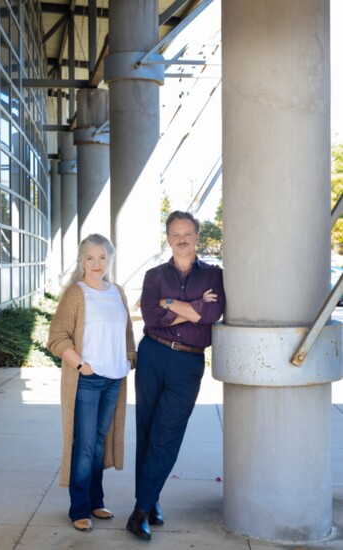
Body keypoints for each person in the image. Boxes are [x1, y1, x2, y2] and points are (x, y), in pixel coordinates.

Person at [126, 211, 225, 541]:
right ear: (168, 238)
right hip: (153, 354)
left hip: (188, 364)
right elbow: (151, 317)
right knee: (147, 430)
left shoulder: (214, 274)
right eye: (175, 234)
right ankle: (150, 501)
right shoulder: (154, 274)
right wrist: (191, 306)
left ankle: (140, 511)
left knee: (167, 435)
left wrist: (174, 303)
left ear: (197, 235)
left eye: (187, 233)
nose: (181, 239)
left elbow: (210, 314)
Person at [47, 233, 136, 532]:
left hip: (114, 380)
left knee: (99, 444)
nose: (97, 263)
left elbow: (126, 332)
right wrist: (81, 365)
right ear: (82, 260)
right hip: (88, 380)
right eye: (90, 258)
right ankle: (79, 509)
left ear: (109, 260)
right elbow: (57, 337)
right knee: (84, 445)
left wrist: (129, 356)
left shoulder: (117, 292)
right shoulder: (77, 293)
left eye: (102, 257)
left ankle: (96, 502)